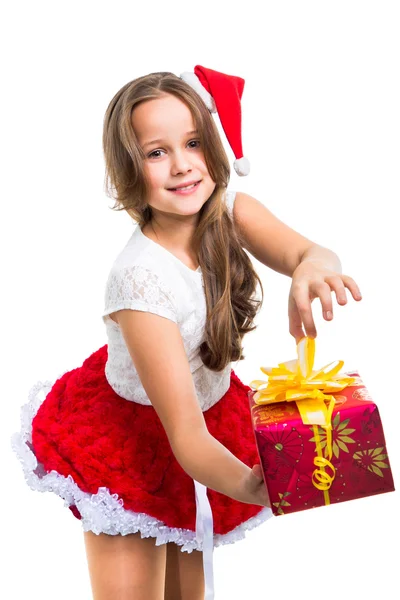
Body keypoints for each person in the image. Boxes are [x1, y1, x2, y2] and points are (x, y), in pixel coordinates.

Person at [11, 65, 362, 600]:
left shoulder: (229, 212)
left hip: (204, 419)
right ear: (129, 167)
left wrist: (313, 268)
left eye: (193, 142)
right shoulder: (139, 281)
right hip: (135, 441)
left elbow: (307, 253)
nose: (181, 166)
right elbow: (187, 437)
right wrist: (252, 484)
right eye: (156, 152)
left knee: (186, 592)